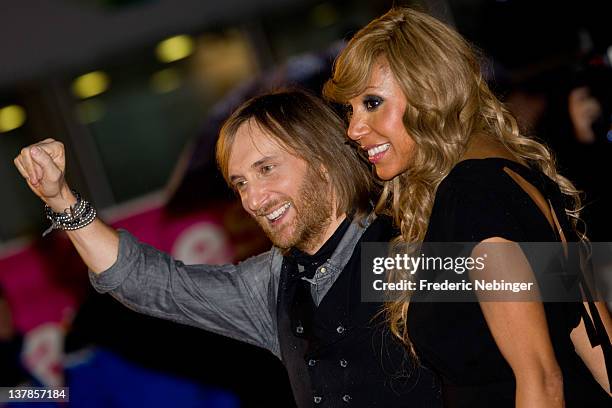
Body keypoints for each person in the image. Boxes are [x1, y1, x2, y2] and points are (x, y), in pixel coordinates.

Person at [13, 90, 441, 407]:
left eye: (266, 169)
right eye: (241, 184)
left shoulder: (403, 247)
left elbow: (507, 292)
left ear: (324, 162)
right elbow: (145, 281)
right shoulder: (272, 286)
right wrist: (61, 199)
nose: (254, 200)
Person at [323, 7, 612, 407]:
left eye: (372, 102)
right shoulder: (506, 175)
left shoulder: (470, 197)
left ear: (429, 93)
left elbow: (542, 380)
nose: (353, 130)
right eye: (350, 110)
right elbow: (593, 335)